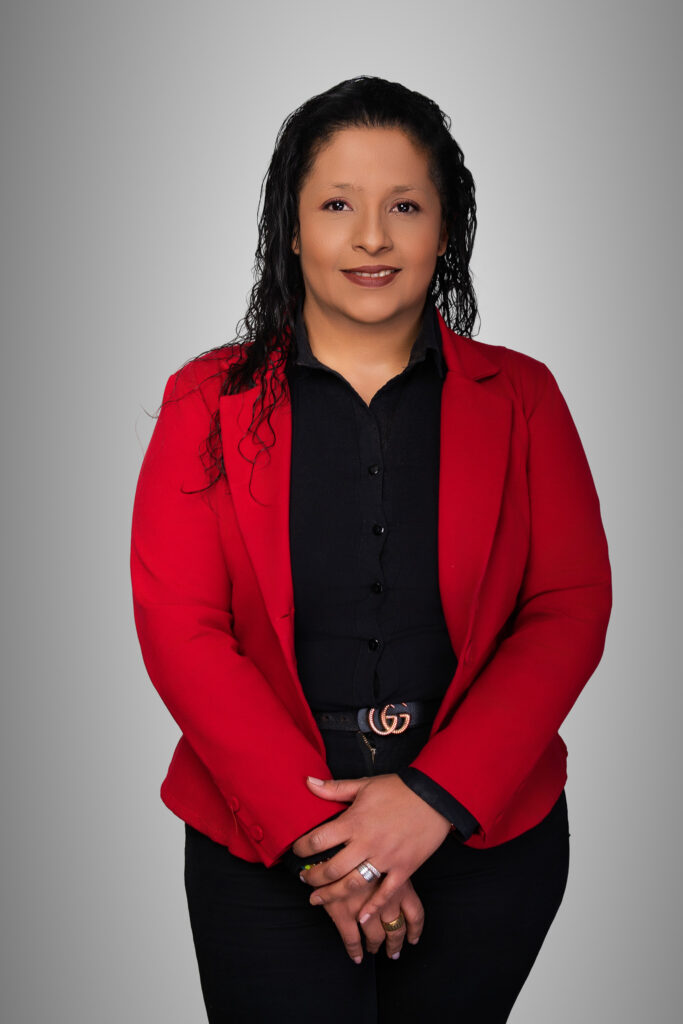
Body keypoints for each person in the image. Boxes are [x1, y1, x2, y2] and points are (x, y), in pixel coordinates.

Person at [130, 75, 612, 1023]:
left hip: (482, 842)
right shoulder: (203, 399)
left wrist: (430, 800)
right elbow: (181, 629)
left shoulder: (524, 398)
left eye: (404, 206)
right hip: (264, 845)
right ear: (291, 226)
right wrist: (334, 846)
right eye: (337, 205)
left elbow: (567, 608)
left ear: (445, 228)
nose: (371, 238)